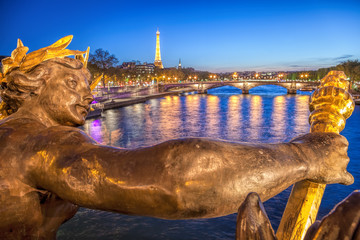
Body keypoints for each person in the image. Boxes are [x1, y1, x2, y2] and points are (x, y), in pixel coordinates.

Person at [0, 38, 353, 239]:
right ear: (35, 84)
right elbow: (176, 180)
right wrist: (305, 156)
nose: (88, 93)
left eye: (89, 83)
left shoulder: (10, 136)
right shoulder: (40, 143)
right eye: (73, 83)